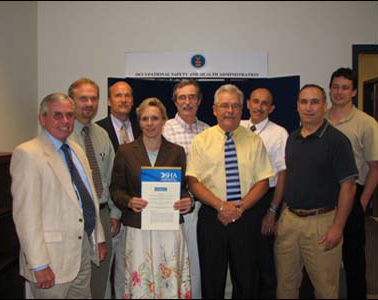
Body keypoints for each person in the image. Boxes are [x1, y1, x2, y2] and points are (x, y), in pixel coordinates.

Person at [10, 93, 106, 299]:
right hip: (52, 260)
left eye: (70, 115)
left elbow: (87, 198)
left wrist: (98, 237)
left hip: (81, 252)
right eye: (57, 115)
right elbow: (26, 216)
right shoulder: (28, 153)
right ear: (42, 119)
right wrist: (39, 264)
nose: (65, 121)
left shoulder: (76, 149)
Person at [186, 84, 274, 299]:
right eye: (224, 105)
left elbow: (263, 181)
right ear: (215, 109)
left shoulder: (255, 141)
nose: (230, 110)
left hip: (245, 217)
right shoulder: (201, 141)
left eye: (234, 105)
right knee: (212, 281)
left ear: (241, 109)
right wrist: (221, 206)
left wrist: (239, 207)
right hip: (211, 218)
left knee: (246, 281)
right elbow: (193, 181)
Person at [274, 84, 358, 299]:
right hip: (290, 222)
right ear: (297, 106)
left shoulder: (337, 141)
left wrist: (337, 227)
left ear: (324, 106)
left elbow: (348, 186)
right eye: (304, 102)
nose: (308, 107)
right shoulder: (292, 139)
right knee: (285, 286)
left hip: (322, 223)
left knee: (325, 289)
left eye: (315, 102)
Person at [111, 97, 192, 299]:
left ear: (164, 120)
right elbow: (116, 189)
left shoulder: (177, 152)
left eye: (155, 118)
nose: (150, 123)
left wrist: (187, 201)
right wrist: (129, 201)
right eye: (145, 119)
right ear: (139, 122)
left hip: (169, 227)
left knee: (169, 280)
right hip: (138, 228)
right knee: (142, 283)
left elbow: (183, 189)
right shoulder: (126, 151)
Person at [326, 67, 378, 299]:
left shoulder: (366, 123)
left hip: (352, 194)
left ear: (354, 92)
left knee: (353, 258)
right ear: (330, 89)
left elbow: (375, 168)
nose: (339, 92)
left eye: (345, 87)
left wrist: (362, 201)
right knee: (323, 256)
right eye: (335, 87)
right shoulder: (321, 118)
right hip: (323, 196)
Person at [67, 78, 119, 299]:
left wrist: (115, 214)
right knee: (73, 280)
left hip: (103, 214)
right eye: (83, 98)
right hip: (72, 218)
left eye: (93, 98)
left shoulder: (101, 134)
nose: (89, 103)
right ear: (71, 101)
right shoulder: (62, 135)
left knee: (99, 280)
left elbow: (112, 177)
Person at [162, 79, 210, 299]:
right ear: (175, 101)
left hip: (204, 207)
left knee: (198, 263)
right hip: (175, 208)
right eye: (182, 97)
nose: (187, 102)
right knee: (174, 262)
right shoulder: (164, 130)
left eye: (192, 97)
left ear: (199, 101)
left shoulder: (208, 131)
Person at [240, 88, 288, 299]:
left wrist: (272, 211)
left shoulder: (279, 134)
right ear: (248, 103)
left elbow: (283, 175)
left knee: (264, 262)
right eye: (256, 102)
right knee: (242, 260)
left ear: (272, 108)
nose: (259, 107)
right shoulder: (236, 126)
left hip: (265, 201)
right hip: (238, 198)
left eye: (265, 103)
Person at [96, 80, 140, 298]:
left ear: (133, 101)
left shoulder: (143, 127)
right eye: (118, 95)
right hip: (110, 211)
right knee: (104, 269)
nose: (123, 100)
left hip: (136, 212)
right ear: (108, 101)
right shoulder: (96, 130)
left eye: (128, 96)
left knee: (128, 269)